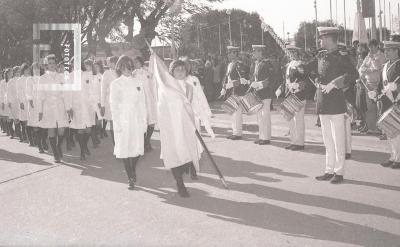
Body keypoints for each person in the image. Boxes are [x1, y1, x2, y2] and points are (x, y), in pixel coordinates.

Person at [306, 27, 358, 184]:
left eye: (322, 38)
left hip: (336, 102)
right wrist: (312, 77)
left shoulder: (342, 57)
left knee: (338, 139)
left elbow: (354, 74)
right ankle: (329, 169)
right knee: (327, 139)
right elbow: (311, 70)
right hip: (323, 102)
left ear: (330, 39)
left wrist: (336, 83)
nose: (320, 41)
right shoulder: (320, 56)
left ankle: (339, 171)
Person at [110, 55, 147, 190]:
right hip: (123, 118)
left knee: (137, 147)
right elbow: (113, 104)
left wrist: (144, 121)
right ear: (120, 68)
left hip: (136, 117)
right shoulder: (116, 84)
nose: (128, 69)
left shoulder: (138, 82)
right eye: (125, 67)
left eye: (130, 67)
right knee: (125, 147)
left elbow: (142, 103)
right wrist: (117, 123)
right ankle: (130, 176)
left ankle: (132, 168)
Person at [371, 40, 400, 169]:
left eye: (389, 50)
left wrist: (397, 87)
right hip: (386, 102)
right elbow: (380, 85)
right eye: (385, 50)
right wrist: (375, 92)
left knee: (397, 131)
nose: (386, 52)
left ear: (396, 51)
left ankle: (398, 158)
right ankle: (393, 156)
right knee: (390, 131)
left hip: (397, 101)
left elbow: (396, 84)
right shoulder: (385, 65)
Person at [38, 54, 70, 163]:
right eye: (50, 63)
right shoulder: (42, 78)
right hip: (48, 106)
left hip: (60, 105)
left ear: (56, 64)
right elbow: (40, 95)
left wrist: (68, 107)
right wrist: (40, 110)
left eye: (53, 63)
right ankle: (56, 153)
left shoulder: (61, 77)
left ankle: (58, 145)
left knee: (62, 130)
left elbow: (66, 93)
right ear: (46, 65)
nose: (52, 65)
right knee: (51, 128)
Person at [282, 46, 312, 150]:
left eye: (293, 52)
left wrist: (298, 85)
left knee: (298, 119)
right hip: (290, 94)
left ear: (297, 53)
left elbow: (306, 78)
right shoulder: (289, 64)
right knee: (291, 119)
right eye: (289, 52)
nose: (290, 54)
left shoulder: (301, 64)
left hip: (299, 94)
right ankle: (293, 141)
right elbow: (286, 79)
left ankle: (300, 143)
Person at [67, 59, 97, 161]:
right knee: (80, 129)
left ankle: (84, 146)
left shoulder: (87, 74)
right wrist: (69, 107)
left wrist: (94, 104)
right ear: (71, 65)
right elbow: (68, 93)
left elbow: (92, 90)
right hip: (76, 106)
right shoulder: (70, 76)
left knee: (88, 129)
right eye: (73, 63)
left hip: (88, 106)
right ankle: (82, 151)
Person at [220, 46, 250, 140]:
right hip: (231, 91)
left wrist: (232, 84)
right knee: (233, 112)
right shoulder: (230, 64)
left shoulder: (239, 64)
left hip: (238, 91)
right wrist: (224, 87)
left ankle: (238, 133)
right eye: (228, 53)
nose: (228, 55)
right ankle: (234, 132)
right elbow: (227, 77)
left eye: (230, 53)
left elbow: (242, 79)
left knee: (237, 113)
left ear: (235, 53)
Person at [249, 44, 276, 145]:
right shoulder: (255, 63)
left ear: (260, 52)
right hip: (257, 93)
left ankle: (266, 138)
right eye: (253, 51)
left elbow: (272, 78)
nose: (253, 53)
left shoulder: (267, 63)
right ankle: (261, 136)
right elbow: (252, 77)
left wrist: (260, 84)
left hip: (265, 93)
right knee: (259, 116)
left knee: (265, 116)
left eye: (255, 51)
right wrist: (251, 83)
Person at [358, 39, 386, 134]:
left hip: (378, 85)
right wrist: (369, 69)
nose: (371, 49)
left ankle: (381, 128)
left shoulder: (381, 56)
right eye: (370, 47)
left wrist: (370, 66)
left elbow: (378, 67)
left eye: (372, 47)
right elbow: (361, 69)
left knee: (379, 107)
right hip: (368, 84)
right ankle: (372, 127)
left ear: (377, 46)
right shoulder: (368, 56)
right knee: (369, 107)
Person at [133, 56, 157, 152]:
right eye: (134, 62)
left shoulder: (148, 72)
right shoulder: (132, 74)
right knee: (142, 121)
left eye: (137, 62)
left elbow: (153, 82)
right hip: (139, 101)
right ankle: (143, 142)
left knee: (151, 122)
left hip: (149, 99)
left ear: (141, 62)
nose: (135, 64)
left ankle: (147, 141)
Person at [26, 62, 47, 153]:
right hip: (34, 104)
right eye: (35, 68)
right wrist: (30, 101)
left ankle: (43, 141)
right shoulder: (29, 79)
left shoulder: (43, 78)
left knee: (44, 125)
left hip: (43, 103)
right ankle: (40, 146)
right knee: (36, 126)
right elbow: (28, 91)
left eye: (38, 68)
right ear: (32, 70)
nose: (36, 70)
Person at [100, 56, 118, 145]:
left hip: (121, 102)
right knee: (113, 123)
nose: (111, 64)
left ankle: (120, 142)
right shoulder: (106, 73)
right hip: (110, 101)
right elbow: (103, 90)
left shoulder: (121, 72)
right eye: (110, 62)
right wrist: (102, 105)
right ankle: (116, 144)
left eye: (113, 62)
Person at [355, 43, 369, 132]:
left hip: (364, 85)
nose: (359, 50)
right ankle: (363, 123)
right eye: (358, 49)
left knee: (364, 106)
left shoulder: (366, 58)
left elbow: (364, 71)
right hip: (359, 85)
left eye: (360, 48)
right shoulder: (359, 58)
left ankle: (366, 125)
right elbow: (357, 70)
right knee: (359, 106)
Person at [18, 63, 32, 145]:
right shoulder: (20, 80)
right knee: (26, 121)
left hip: (31, 102)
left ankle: (31, 137)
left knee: (31, 121)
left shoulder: (31, 78)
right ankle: (29, 139)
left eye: (28, 69)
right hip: (24, 102)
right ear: (23, 70)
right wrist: (21, 102)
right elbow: (19, 92)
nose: (28, 71)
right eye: (26, 69)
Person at [93, 60, 104, 140]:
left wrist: (101, 101)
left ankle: (99, 131)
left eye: (98, 66)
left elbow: (102, 90)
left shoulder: (102, 76)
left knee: (99, 118)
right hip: (93, 100)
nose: (96, 68)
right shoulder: (92, 76)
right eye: (95, 67)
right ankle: (95, 135)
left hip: (100, 99)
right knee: (94, 118)